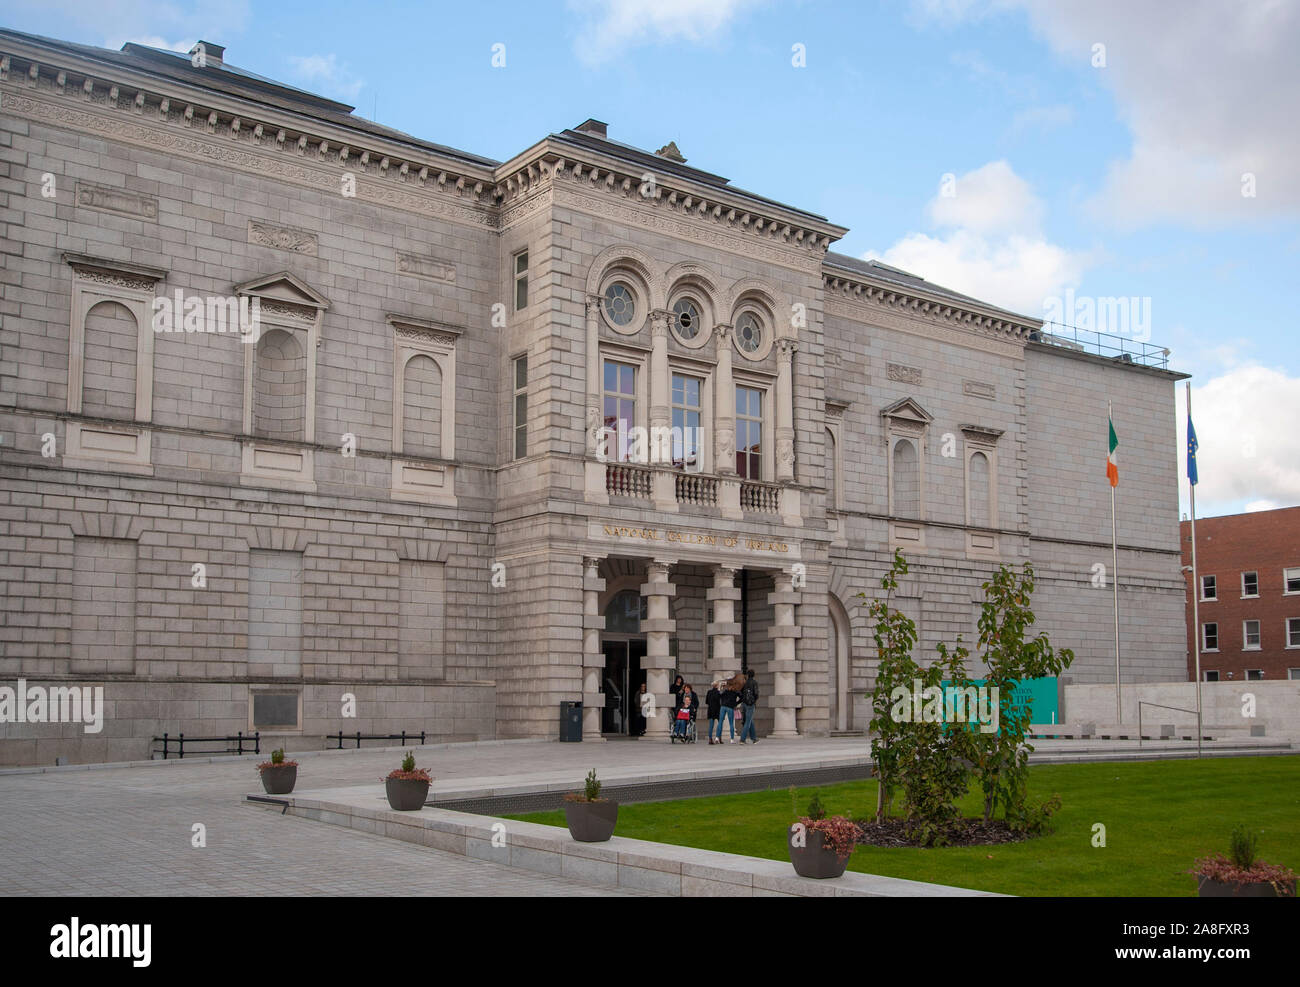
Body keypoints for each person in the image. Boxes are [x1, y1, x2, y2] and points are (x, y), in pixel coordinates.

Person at [738, 667, 760, 744]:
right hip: (750, 704)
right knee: (748, 721)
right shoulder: (754, 682)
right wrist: (754, 700)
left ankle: (754, 738)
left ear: (747, 675)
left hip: (744, 703)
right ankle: (742, 739)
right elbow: (756, 694)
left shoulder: (745, 683)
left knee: (750, 720)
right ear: (753, 675)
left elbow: (740, 693)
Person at [715, 678, 739, 743]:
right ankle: (732, 739)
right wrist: (736, 703)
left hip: (723, 707)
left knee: (720, 722)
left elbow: (719, 695)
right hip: (730, 707)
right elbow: (741, 697)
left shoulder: (725, 691)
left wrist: (720, 687)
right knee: (731, 723)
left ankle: (717, 738)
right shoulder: (735, 692)